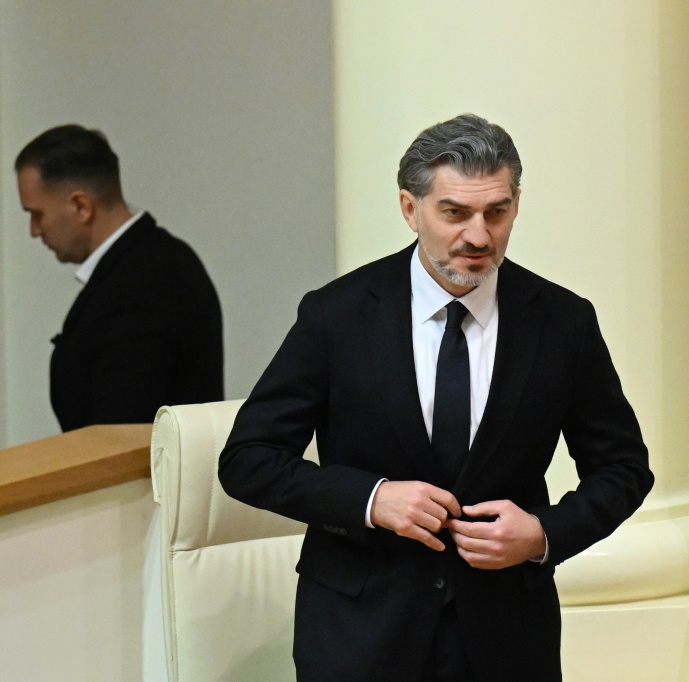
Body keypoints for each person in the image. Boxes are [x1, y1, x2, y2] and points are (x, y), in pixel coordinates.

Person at [219, 113, 653, 681]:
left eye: (496, 212)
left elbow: (623, 468)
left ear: (516, 206)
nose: (479, 236)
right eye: (454, 213)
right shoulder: (336, 315)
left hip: (507, 640)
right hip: (360, 638)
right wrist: (371, 499)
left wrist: (543, 534)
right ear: (410, 209)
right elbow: (248, 459)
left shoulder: (563, 322)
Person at [15, 124, 224, 431]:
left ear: (81, 206)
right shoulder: (156, 261)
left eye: (37, 214)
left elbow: (121, 434)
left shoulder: (143, 285)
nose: (34, 230)